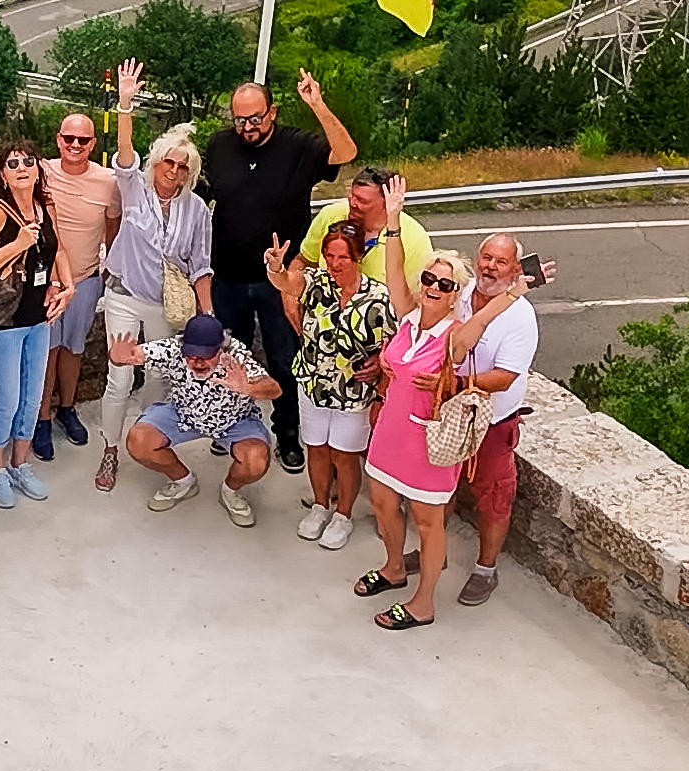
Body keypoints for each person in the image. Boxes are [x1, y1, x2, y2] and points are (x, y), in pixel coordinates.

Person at [359, 194, 515, 631]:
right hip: (390, 433)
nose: (434, 287)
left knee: (428, 525)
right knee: (383, 504)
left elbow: (484, 323)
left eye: (446, 285)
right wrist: (392, 221)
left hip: (428, 444)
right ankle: (393, 567)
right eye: (430, 277)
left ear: (454, 297)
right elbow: (392, 269)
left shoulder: (455, 337)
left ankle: (423, 602)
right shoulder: (408, 318)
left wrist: (516, 291)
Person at [202, 71, 358, 455]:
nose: (248, 127)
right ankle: (231, 425)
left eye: (255, 118)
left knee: (284, 358)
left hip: (283, 278)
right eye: (240, 120)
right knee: (229, 354)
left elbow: (346, 153)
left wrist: (317, 105)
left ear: (272, 112)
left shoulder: (297, 145)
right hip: (228, 275)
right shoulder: (220, 145)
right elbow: (199, 193)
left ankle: (287, 434)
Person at [90, 66, 216, 490]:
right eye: (168, 162)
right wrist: (125, 104)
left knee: (159, 378)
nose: (174, 171)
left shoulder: (197, 209)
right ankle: (110, 450)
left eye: (183, 166)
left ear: (190, 172)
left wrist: (208, 312)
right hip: (124, 295)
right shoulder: (134, 188)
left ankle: (144, 439)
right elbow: (123, 154)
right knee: (120, 375)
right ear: (156, 162)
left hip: (167, 304)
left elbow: (200, 264)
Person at [269, 219, 396, 553]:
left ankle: (344, 514)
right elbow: (286, 282)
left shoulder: (378, 297)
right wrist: (275, 266)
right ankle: (320, 505)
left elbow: (393, 346)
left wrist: (380, 367)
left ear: (357, 258)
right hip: (313, 382)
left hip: (353, 391)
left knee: (344, 455)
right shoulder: (317, 283)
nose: (335, 264)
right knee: (317, 449)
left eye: (342, 257)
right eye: (329, 256)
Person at [108, 311, 283, 522]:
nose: (198, 362)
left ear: (221, 348)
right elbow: (134, 354)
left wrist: (246, 387)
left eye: (206, 355)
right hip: (183, 414)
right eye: (191, 355)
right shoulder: (173, 348)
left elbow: (274, 389)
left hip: (235, 421)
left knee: (256, 461)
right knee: (138, 441)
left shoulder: (237, 354)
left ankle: (230, 491)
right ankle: (183, 481)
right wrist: (117, 358)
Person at [0, 144, 64, 508]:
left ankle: (21, 463)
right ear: (2, 175)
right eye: (12, 163)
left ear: (38, 169)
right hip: (3, 320)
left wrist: (63, 287)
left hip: (38, 318)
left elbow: (58, 251)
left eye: (28, 161)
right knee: (6, 399)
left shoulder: (44, 205)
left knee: (32, 396)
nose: (22, 167)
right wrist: (18, 244)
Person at [451, 233, 544, 609]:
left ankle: (486, 570)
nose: (489, 266)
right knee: (438, 486)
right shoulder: (459, 290)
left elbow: (505, 377)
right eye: (486, 257)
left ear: (515, 270)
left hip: (492, 422)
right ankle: (430, 552)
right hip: (449, 414)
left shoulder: (521, 316)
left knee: (493, 497)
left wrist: (456, 384)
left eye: (500, 262)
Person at [35, 107, 118, 458]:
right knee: (46, 351)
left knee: (73, 349)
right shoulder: (41, 172)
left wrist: (110, 266)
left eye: (82, 139)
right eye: (68, 138)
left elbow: (113, 225)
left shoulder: (108, 181)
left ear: (92, 143)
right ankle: (42, 418)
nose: (75, 144)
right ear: (58, 140)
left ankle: (67, 409)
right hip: (46, 282)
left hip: (85, 279)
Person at [296, 164, 435, 282]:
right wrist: (291, 298)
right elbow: (303, 262)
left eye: (362, 200)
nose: (353, 203)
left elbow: (416, 298)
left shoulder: (415, 239)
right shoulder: (330, 215)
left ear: (386, 203)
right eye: (352, 196)